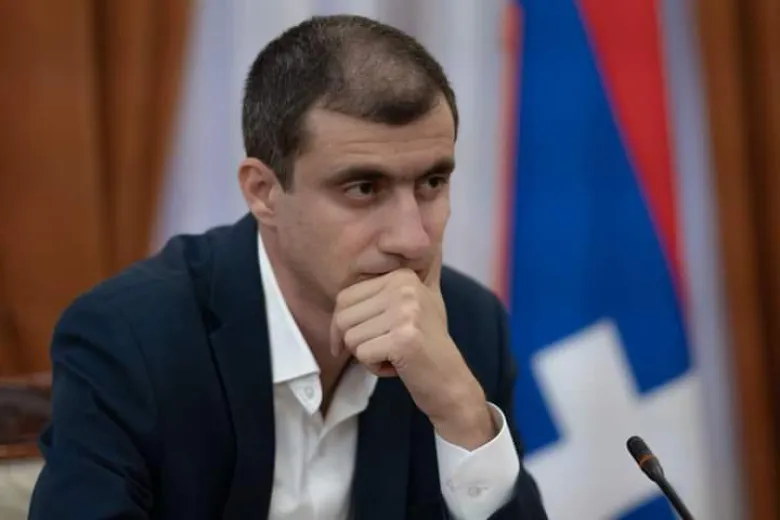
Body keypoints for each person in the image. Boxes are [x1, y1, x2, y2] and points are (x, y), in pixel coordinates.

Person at [28, 14, 547, 520]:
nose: (412, 240)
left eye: (432, 183)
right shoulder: (130, 338)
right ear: (263, 192)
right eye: (364, 188)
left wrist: (460, 411)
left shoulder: (469, 329)